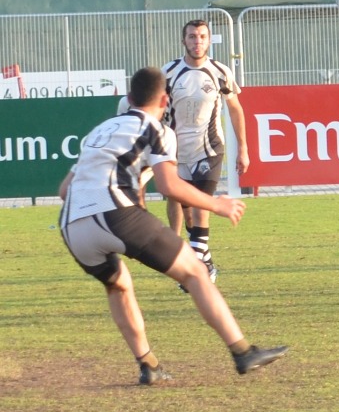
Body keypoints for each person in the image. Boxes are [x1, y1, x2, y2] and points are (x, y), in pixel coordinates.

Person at [58, 67, 287, 384]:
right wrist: (217, 205)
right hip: (115, 213)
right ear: (165, 101)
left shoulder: (100, 131)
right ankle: (242, 351)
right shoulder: (157, 129)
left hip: (72, 225)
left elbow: (64, 190)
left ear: (129, 99)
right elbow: (169, 186)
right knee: (195, 272)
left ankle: (149, 365)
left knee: (118, 284)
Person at [162, 19, 249, 284]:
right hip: (176, 151)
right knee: (182, 205)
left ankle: (194, 268)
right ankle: (200, 256)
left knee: (201, 201)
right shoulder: (169, 73)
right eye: (192, 36)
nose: (197, 41)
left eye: (202, 36)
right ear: (183, 41)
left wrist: (243, 148)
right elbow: (155, 109)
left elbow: (235, 108)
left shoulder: (220, 71)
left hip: (209, 148)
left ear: (209, 40)